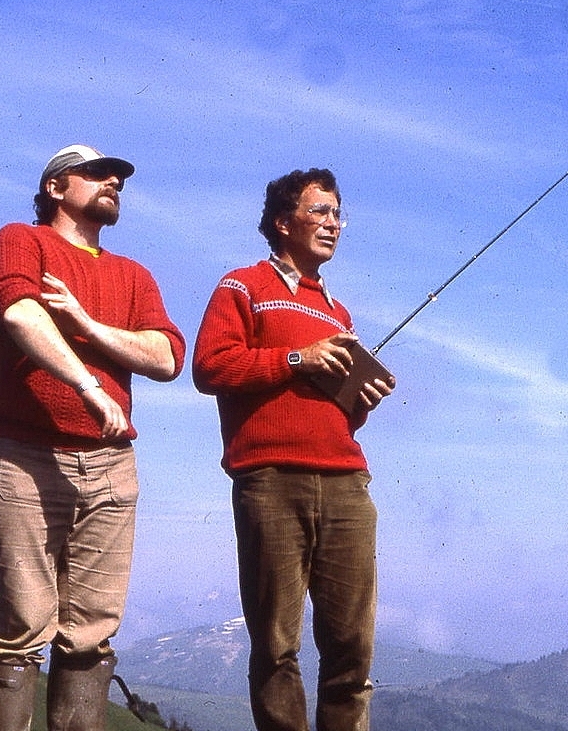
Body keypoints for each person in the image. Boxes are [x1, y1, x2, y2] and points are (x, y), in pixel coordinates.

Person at [0, 144, 186, 731]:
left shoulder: (133, 274)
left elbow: (167, 356)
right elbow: (19, 312)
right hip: (25, 459)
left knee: (91, 632)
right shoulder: (22, 239)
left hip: (112, 466)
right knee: (20, 627)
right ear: (56, 187)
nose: (114, 180)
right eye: (97, 173)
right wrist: (92, 387)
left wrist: (88, 326)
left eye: (119, 176)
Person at [192, 168, 394, 731]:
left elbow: (337, 411)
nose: (333, 224)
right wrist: (298, 359)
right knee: (277, 642)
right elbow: (209, 367)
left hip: (347, 482)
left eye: (338, 214)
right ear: (283, 222)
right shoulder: (243, 286)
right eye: (320, 212)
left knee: (352, 646)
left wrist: (362, 397)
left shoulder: (338, 312)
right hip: (271, 477)